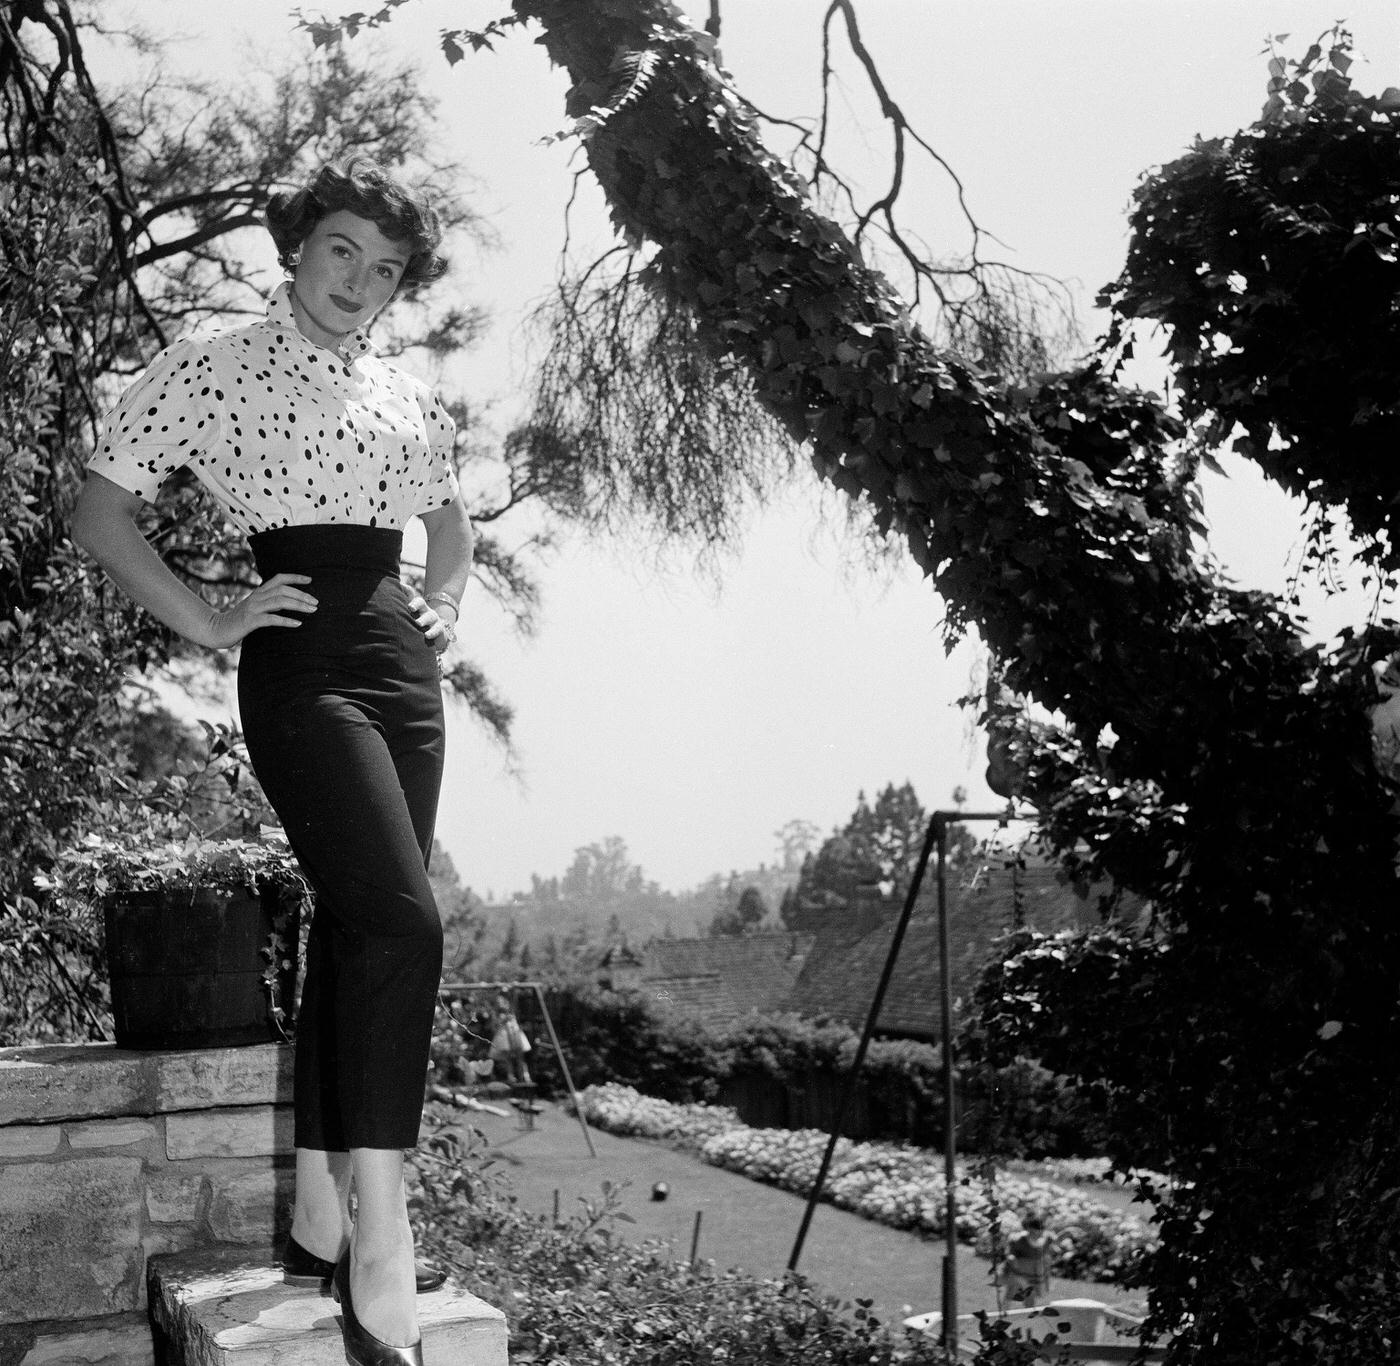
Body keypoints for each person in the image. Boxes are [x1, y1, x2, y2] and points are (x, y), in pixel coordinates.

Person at [72, 156, 473, 1366]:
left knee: (359, 928)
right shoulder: (213, 364)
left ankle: (316, 1213)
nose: (358, 280)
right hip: (300, 661)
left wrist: (446, 602)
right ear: (298, 244)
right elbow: (98, 512)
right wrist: (208, 620)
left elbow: (448, 522)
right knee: (404, 920)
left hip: (400, 663)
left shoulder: (406, 394)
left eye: (385, 268)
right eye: (341, 249)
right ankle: (382, 1229)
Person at [1004, 1214, 1052, 1306]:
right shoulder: (1020, 1239)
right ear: (1030, 1230)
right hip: (1018, 1272)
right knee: (1012, 1293)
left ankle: (1029, 1312)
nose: (1039, 1233)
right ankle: (1004, 1311)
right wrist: (1012, 1259)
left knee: (1030, 1295)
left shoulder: (1043, 1240)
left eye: (1041, 1231)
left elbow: (1045, 1253)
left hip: (1032, 1273)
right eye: (1037, 1231)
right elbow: (1010, 1254)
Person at [489, 990, 533, 1085]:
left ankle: (525, 1076)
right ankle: (511, 1076)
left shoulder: (511, 1011)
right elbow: (495, 1026)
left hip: (515, 1033)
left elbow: (514, 1000)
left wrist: (513, 989)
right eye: (498, 1002)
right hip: (504, 1036)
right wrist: (503, 1021)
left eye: (502, 1001)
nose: (500, 1003)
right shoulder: (496, 1014)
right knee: (508, 1058)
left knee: (520, 1057)